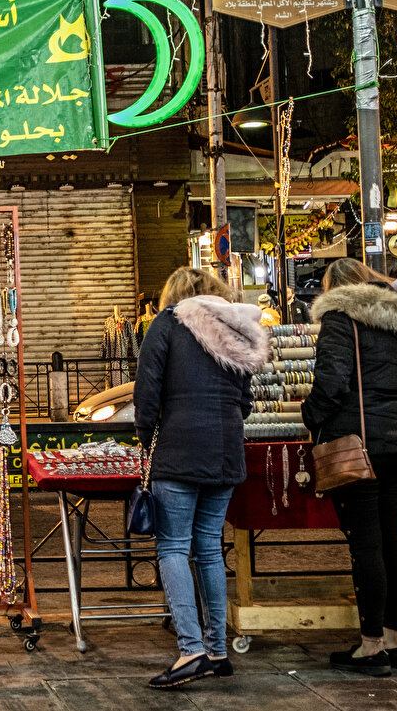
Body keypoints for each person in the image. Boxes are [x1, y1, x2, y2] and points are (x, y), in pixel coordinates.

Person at [133, 267, 269, 688]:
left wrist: (146, 438)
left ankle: (190, 651)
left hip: (178, 451)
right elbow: (245, 400)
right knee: (209, 548)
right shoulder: (238, 326)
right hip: (226, 451)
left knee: (173, 546)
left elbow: (146, 391)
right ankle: (217, 651)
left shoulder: (168, 323)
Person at [301, 257, 397, 677]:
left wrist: (311, 415)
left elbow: (332, 382)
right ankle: (396, 642)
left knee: (367, 544)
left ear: (335, 289)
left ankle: (371, 647)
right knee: (393, 539)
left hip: (360, 445)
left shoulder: (342, 320)